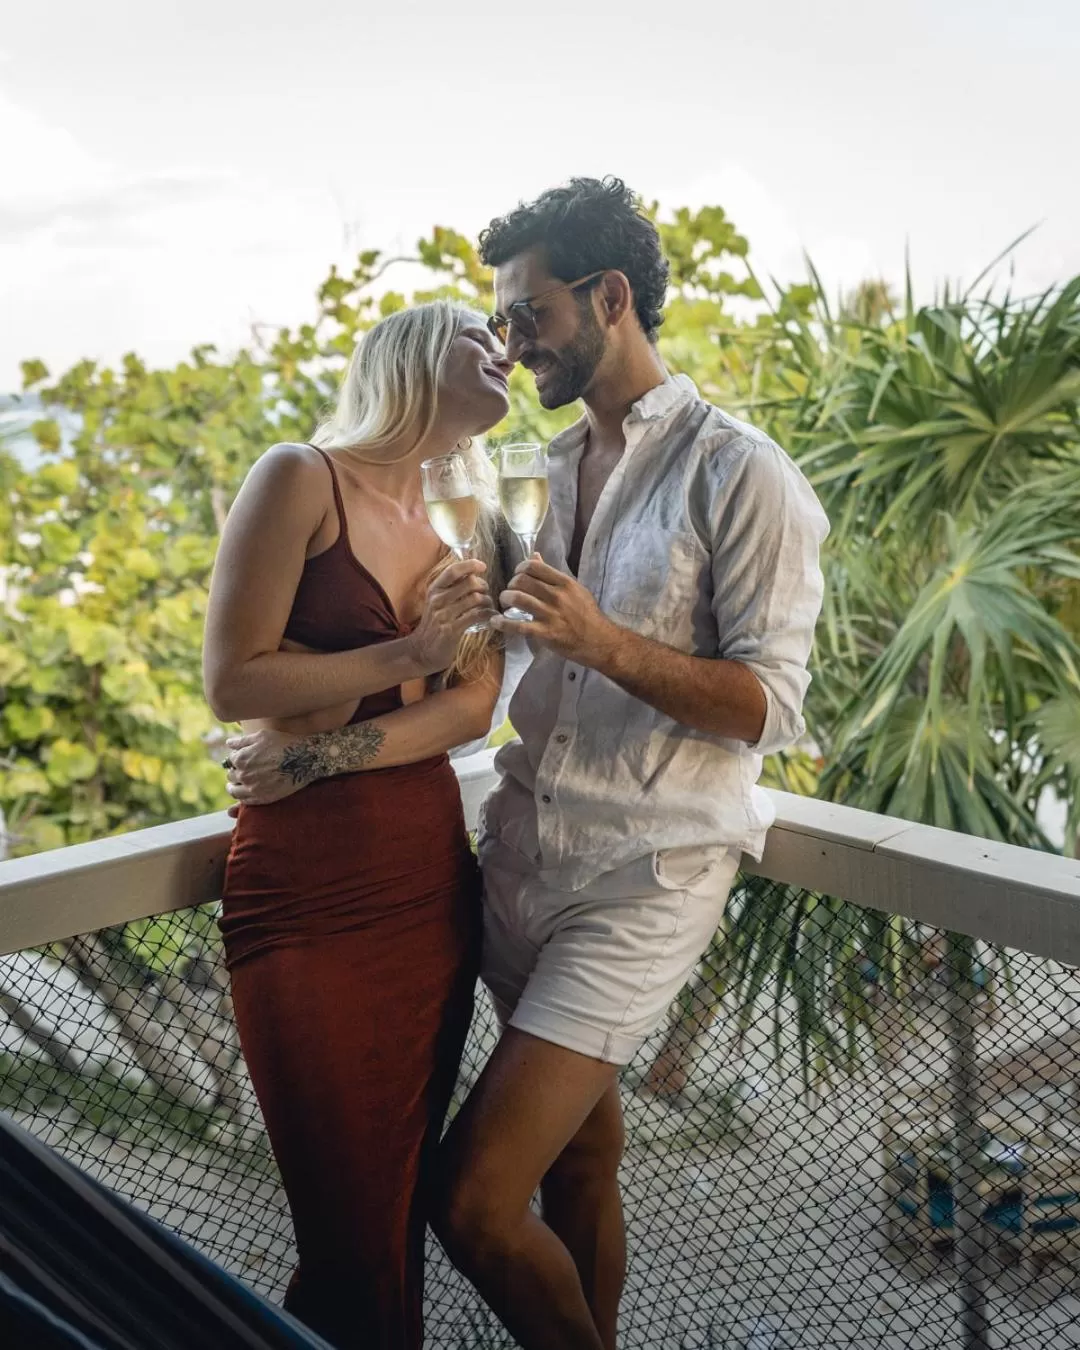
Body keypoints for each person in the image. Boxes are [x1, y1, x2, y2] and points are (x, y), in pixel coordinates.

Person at [225, 176, 829, 1350]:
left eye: (527, 313)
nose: (511, 342)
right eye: (497, 321)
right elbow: (476, 682)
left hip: (640, 879)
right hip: (516, 866)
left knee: (471, 1199)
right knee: (582, 1161)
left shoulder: (738, 470)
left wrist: (603, 640)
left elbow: (773, 706)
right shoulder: (535, 473)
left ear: (608, 297)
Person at [201, 301, 512, 1350]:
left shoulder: (467, 522)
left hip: (427, 891)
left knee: (395, 1207)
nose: (506, 352)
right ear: (419, 358)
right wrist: (400, 654)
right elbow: (233, 682)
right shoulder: (299, 478)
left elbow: (472, 708)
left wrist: (319, 752)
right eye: (482, 339)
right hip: (302, 896)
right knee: (343, 1228)